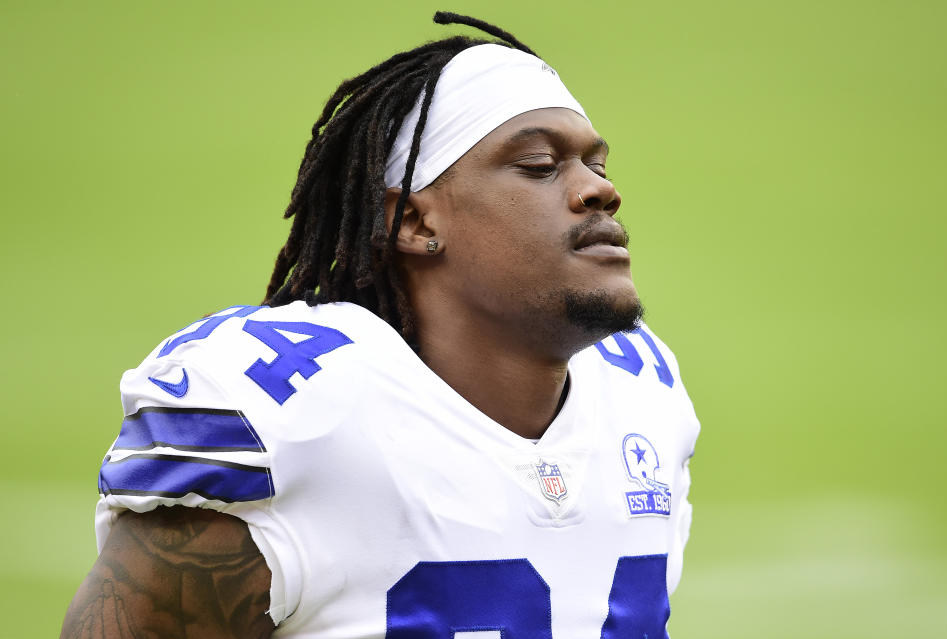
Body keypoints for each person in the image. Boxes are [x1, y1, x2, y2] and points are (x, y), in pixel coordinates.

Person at [61, 12, 700, 639]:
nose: (598, 191)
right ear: (418, 224)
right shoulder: (292, 410)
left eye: (598, 164)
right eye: (539, 163)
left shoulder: (645, 392)